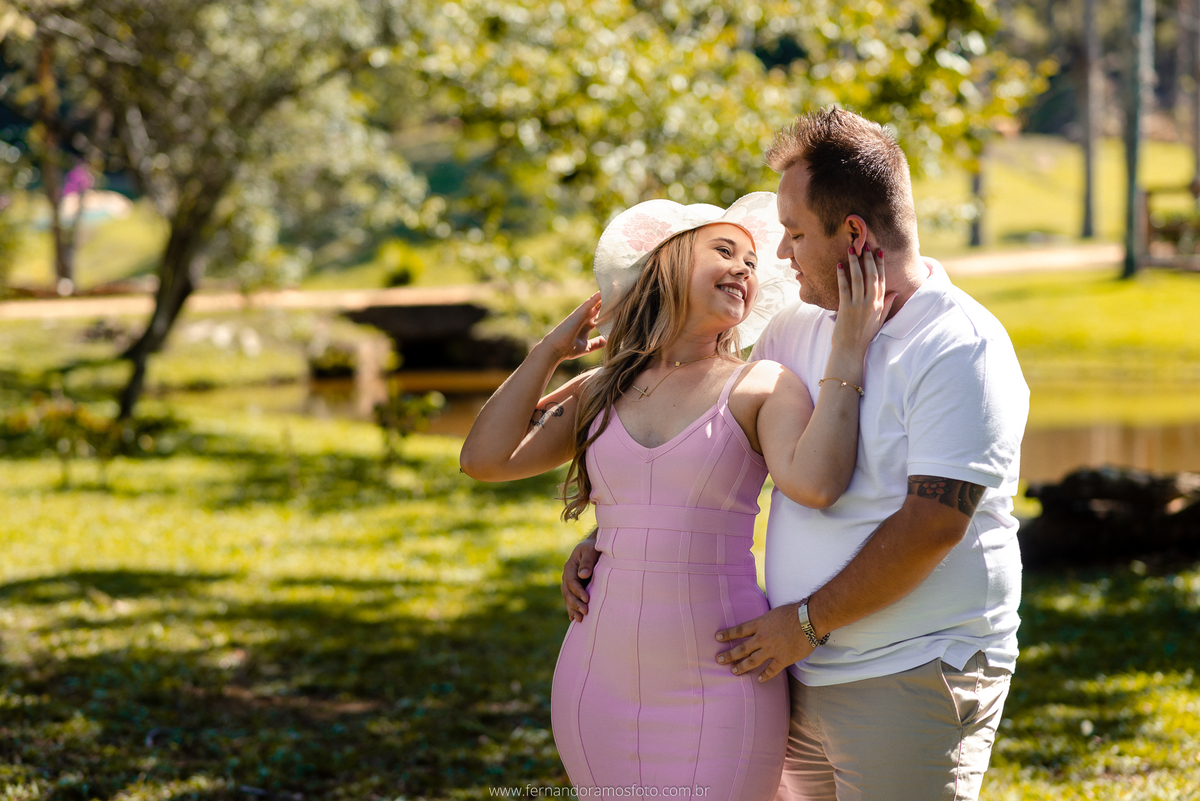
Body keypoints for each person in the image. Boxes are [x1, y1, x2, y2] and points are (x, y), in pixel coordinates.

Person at [562, 108, 1029, 801]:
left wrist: (807, 622)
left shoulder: (958, 345)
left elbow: (935, 522)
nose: (780, 255)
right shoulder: (796, 327)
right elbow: (719, 440)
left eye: (795, 233)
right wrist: (618, 532)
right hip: (796, 671)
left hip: (909, 668)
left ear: (854, 235)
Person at [460, 190, 892, 799]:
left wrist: (849, 346)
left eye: (751, 261)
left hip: (722, 677)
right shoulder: (601, 389)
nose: (745, 268)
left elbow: (817, 483)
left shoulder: (761, 384)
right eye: (725, 251)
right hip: (596, 678)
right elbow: (484, 459)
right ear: (666, 262)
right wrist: (551, 350)